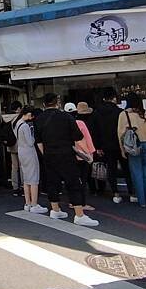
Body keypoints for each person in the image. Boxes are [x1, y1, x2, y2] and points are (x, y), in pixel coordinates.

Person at [34, 93, 99, 226]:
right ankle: (79, 215)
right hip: (66, 154)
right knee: (73, 183)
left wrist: (45, 154)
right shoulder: (66, 117)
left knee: (52, 182)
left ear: (44, 104)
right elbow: (78, 138)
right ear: (58, 103)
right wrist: (87, 153)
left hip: (49, 154)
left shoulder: (39, 119)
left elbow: (39, 141)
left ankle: (55, 210)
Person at [91, 88, 135, 203]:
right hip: (121, 145)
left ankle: (116, 194)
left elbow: (94, 132)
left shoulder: (96, 113)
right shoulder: (120, 112)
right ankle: (132, 193)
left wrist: (98, 147)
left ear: (103, 98)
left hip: (106, 146)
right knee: (126, 169)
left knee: (111, 169)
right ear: (114, 98)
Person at [117, 92, 146, 209]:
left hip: (134, 146)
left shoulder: (124, 114)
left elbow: (120, 134)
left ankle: (142, 201)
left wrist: (122, 150)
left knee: (137, 174)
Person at [14, 106, 47, 214]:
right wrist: (32, 133)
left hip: (21, 151)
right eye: (31, 115)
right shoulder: (25, 126)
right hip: (29, 152)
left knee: (26, 179)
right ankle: (34, 204)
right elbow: (30, 142)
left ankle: (27, 203)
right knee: (34, 179)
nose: (32, 118)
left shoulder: (17, 123)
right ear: (28, 114)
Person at [65, 103, 96, 211]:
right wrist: (90, 153)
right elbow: (86, 139)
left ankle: (72, 201)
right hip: (82, 155)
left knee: (72, 180)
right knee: (82, 180)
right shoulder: (80, 123)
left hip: (69, 155)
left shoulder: (63, 124)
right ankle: (82, 203)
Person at [5, 101, 23, 196]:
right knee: (22, 166)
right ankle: (24, 186)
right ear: (19, 108)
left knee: (14, 167)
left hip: (11, 145)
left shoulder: (6, 118)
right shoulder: (20, 118)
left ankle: (15, 187)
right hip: (20, 145)